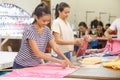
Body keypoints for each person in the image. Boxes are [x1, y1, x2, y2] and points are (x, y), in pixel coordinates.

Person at [13, 3, 75, 69]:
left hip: (35, 65)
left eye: (48, 21)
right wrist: (59, 61)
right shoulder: (30, 30)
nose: (46, 23)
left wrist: (66, 60)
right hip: (22, 65)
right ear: (36, 17)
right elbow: (37, 53)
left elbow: (55, 47)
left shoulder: (46, 30)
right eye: (44, 21)